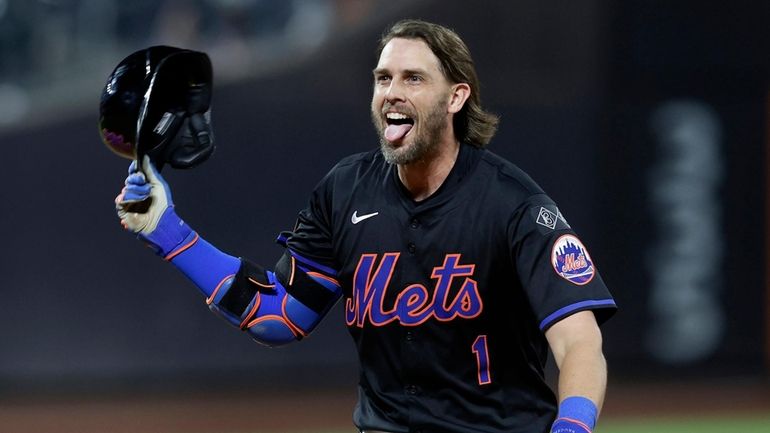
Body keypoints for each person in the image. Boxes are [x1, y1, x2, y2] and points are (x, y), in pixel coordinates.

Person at [115, 19, 616, 433]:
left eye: (413, 79)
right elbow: (280, 315)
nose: (392, 94)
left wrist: (571, 427)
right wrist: (167, 232)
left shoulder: (515, 205)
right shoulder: (345, 190)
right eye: (383, 79)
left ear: (456, 97)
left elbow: (579, 342)